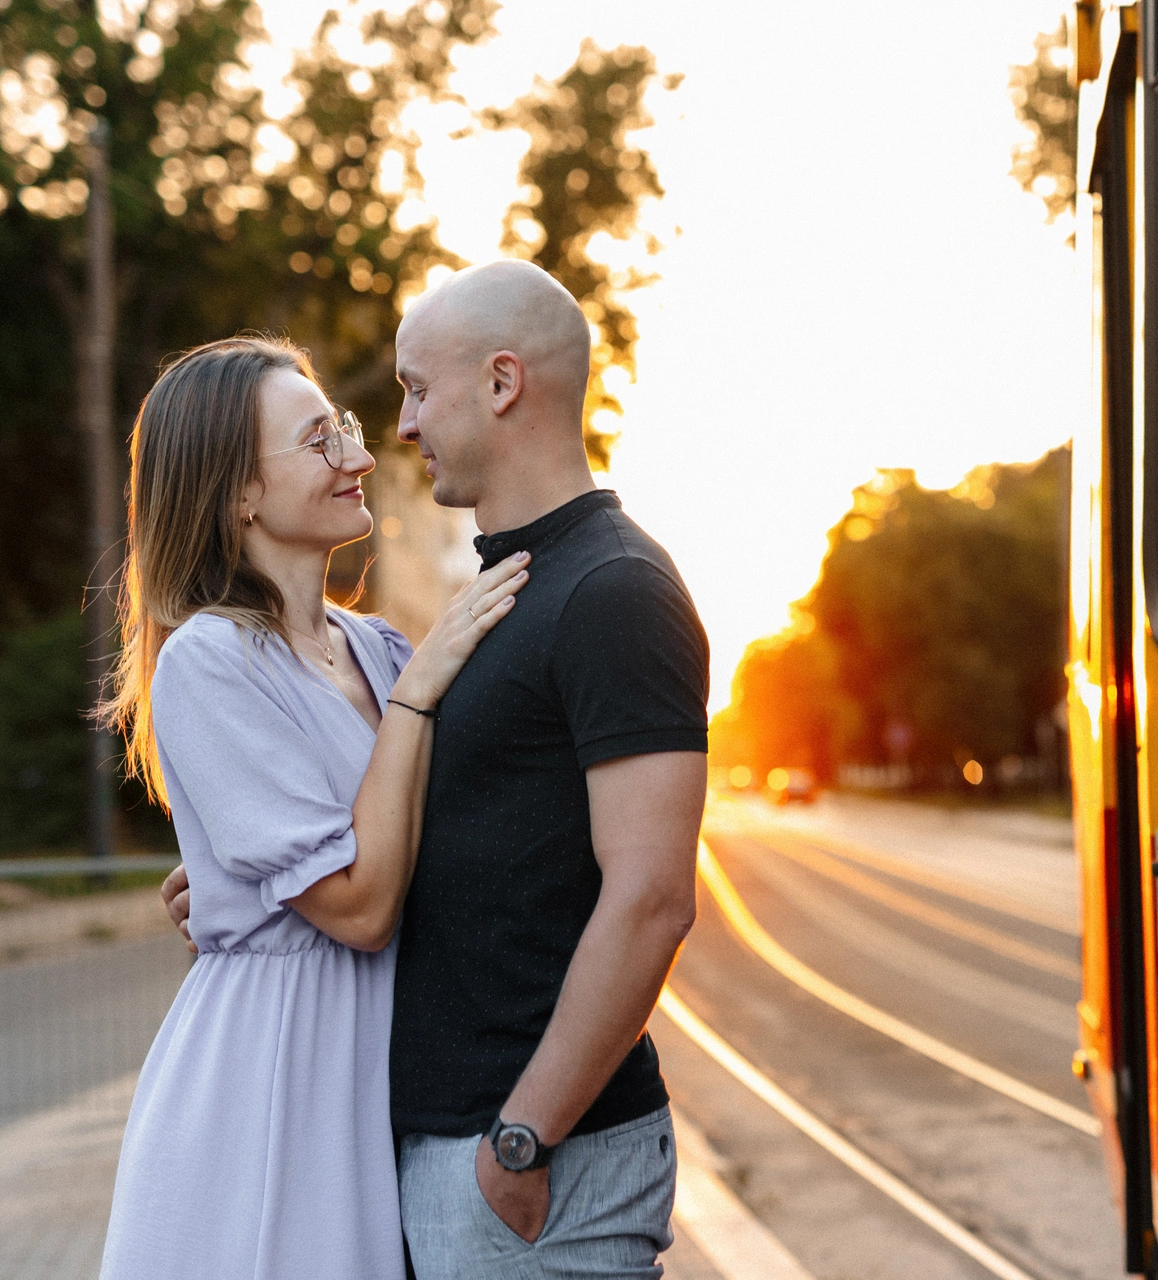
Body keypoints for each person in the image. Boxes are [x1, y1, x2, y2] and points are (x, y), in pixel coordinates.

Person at [164, 261, 711, 1278]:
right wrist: (246, 874)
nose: (395, 431)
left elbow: (652, 899)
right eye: (325, 435)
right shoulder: (484, 607)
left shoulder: (611, 589)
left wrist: (523, 1137)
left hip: (521, 1160)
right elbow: (420, 817)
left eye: (415, 390)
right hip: (390, 1137)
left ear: (502, 383)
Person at [97, 336, 529, 1280]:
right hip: (275, 1081)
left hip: (378, 1072)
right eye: (319, 440)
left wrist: (237, 878)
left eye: (346, 427)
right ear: (238, 494)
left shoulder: (378, 650)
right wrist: (421, 694)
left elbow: (447, 840)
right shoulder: (210, 659)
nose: (360, 456)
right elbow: (363, 910)